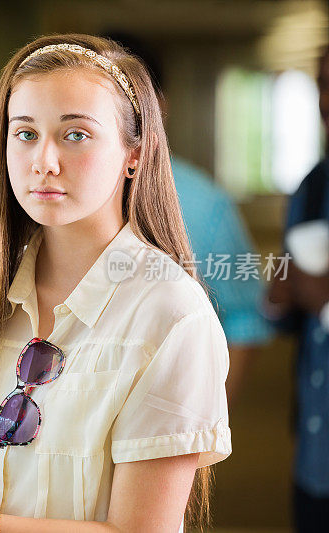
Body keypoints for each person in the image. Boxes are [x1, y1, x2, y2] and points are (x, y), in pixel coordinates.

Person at [0, 34, 231, 533]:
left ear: (135, 155)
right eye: (24, 134)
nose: (44, 161)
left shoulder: (171, 315)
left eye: (75, 134)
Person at [103, 32, 271, 406]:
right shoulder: (44, 202)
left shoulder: (204, 203)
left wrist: (204, 425)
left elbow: (244, 319)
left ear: (156, 106)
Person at [265, 47, 329, 532]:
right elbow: (289, 308)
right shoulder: (311, 187)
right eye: (323, 86)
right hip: (313, 444)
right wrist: (279, 297)